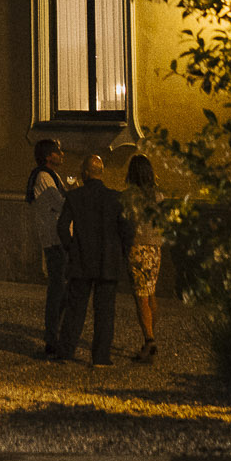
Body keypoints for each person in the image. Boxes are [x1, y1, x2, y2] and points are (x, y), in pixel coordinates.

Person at [55, 153, 128, 366]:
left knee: (75, 309)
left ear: (85, 173)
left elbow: (61, 227)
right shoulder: (116, 198)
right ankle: (101, 357)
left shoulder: (75, 197)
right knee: (105, 312)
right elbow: (126, 230)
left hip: (81, 260)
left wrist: (71, 247)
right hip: (107, 261)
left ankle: (66, 351)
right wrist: (121, 252)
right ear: (101, 172)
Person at [25, 139, 70, 356]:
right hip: (54, 239)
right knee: (57, 289)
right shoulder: (43, 177)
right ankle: (52, 338)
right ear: (47, 156)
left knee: (61, 288)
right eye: (57, 152)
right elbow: (59, 203)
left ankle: (57, 333)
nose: (61, 154)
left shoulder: (51, 176)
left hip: (58, 238)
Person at [122, 152, 164, 363]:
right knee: (151, 293)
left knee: (141, 297)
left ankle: (149, 340)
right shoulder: (158, 195)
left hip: (137, 249)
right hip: (155, 248)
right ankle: (151, 335)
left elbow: (127, 223)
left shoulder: (130, 196)